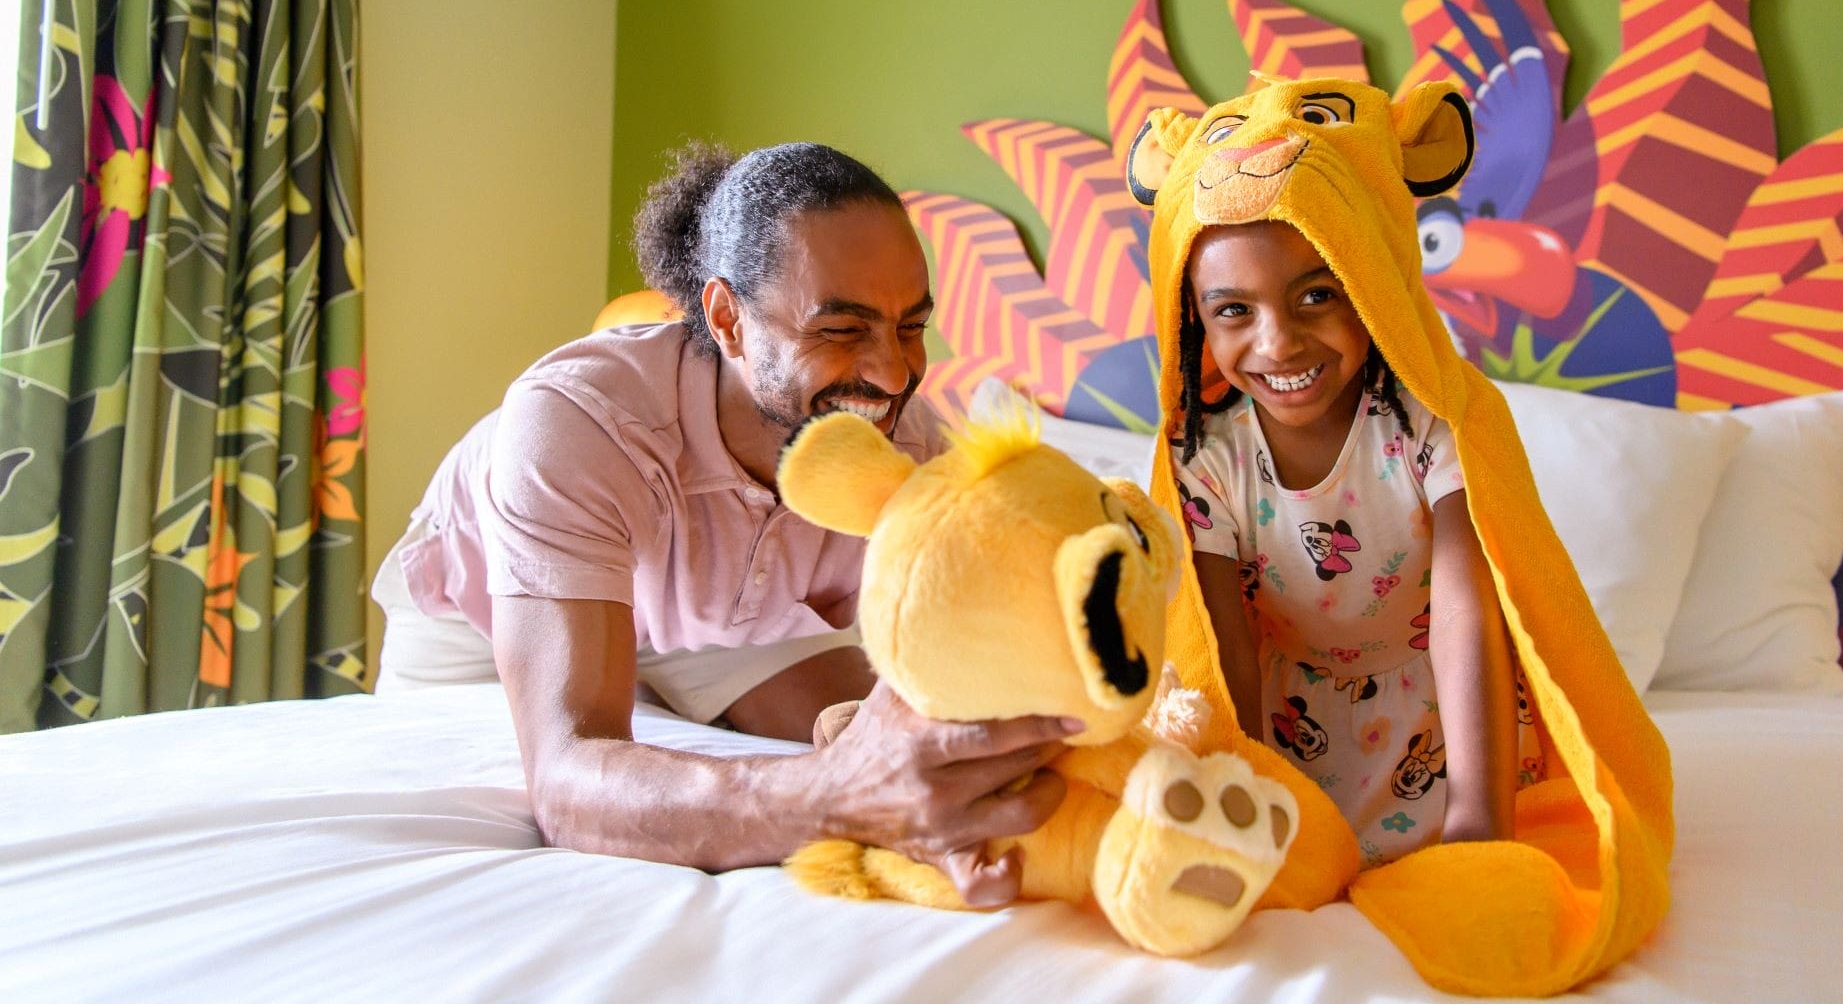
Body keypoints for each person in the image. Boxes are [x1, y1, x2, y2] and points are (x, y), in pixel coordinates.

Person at [373, 141, 1074, 905]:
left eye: (912, 326)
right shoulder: (578, 420)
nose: (893, 374)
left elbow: (977, 669)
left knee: (918, 742)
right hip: (491, 606)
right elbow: (567, 781)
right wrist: (834, 795)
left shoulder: (909, 450)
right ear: (726, 319)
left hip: (729, 613)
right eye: (842, 330)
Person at [1169, 217, 1532, 865]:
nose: (1277, 343)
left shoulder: (1435, 421)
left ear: (1369, 288)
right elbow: (1224, 651)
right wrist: (1246, 802)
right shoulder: (1205, 457)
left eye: (1316, 295)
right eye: (1233, 310)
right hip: (1289, 730)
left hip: (1454, 724)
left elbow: (1466, 615)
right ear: (1197, 323)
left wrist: (1479, 815)